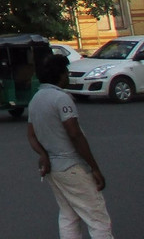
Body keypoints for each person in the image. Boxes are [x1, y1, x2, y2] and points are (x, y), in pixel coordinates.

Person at [27, 53, 113, 239]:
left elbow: (31, 135)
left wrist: (43, 154)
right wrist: (94, 167)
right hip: (72, 167)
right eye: (65, 72)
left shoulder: (35, 100)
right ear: (58, 75)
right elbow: (74, 134)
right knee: (97, 217)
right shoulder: (62, 99)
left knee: (69, 215)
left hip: (53, 169)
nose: (68, 75)